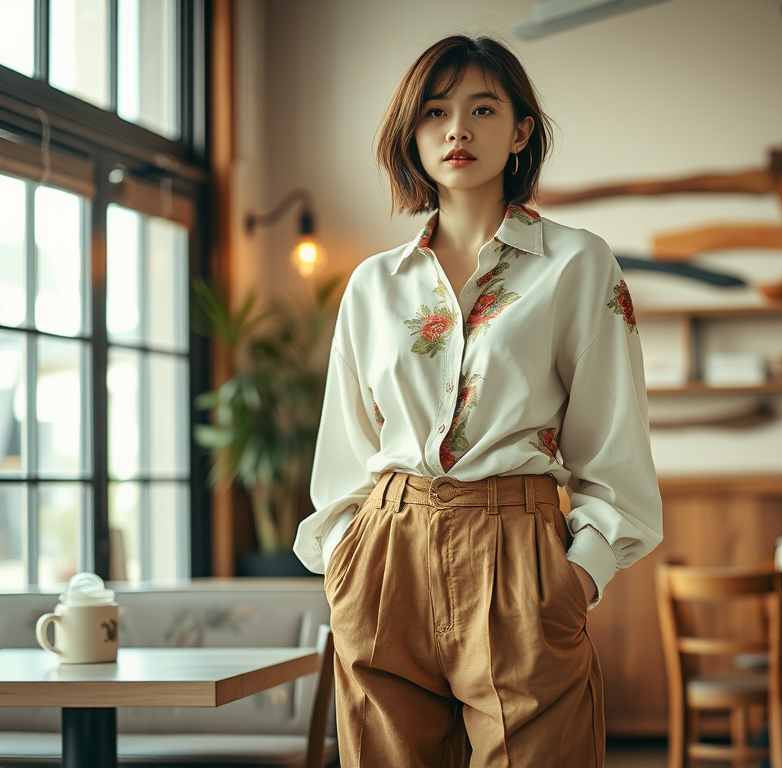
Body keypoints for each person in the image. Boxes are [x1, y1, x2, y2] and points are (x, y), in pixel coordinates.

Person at [293, 34, 662, 768]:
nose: (457, 129)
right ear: (414, 133)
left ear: (520, 130)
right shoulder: (374, 284)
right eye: (435, 111)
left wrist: (576, 576)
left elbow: (613, 445)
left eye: (482, 109)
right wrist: (345, 563)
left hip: (519, 553)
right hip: (385, 555)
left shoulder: (578, 264)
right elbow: (344, 446)